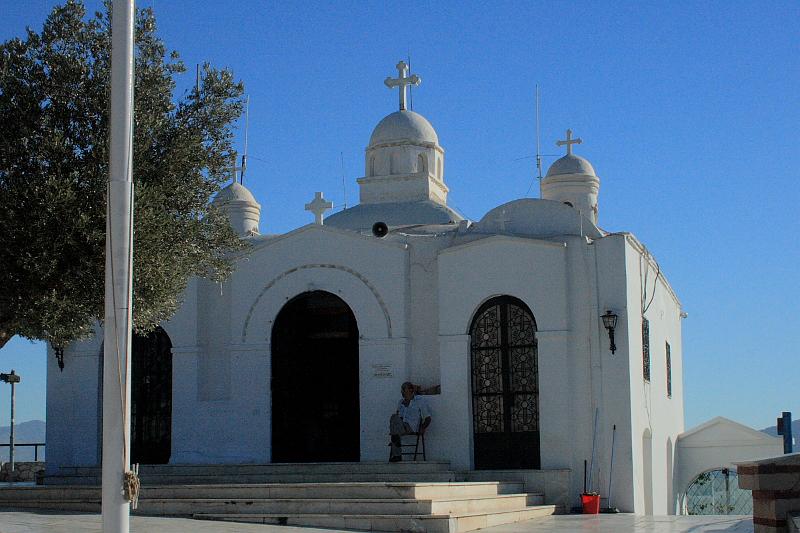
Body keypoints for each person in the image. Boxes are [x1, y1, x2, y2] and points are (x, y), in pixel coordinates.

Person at [389, 382, 431, 462]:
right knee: (394, 418)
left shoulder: (419, 401)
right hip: (401, 426)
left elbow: (428, 418)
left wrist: (423, 428)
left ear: (410, 390)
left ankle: (395, 444)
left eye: (403, 390)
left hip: (411, 427)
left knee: (394, 426)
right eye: (401, 390)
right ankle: (395, 439)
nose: (402, 392)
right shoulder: (400, 402)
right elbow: (399, 417)